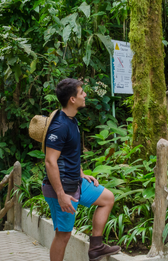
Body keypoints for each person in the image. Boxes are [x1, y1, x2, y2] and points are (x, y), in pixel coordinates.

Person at [32, 78, 120, 261]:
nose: (85, 95)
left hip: (76, 183)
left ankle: (96, 246)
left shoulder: (71, 120)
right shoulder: (60, 125)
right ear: (72, 99)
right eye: (81, 92)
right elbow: (50, 161)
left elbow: (71, 153)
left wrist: (81, 174)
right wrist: (61, 194)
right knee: (63, 235)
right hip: (63, 189)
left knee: (107, 199)